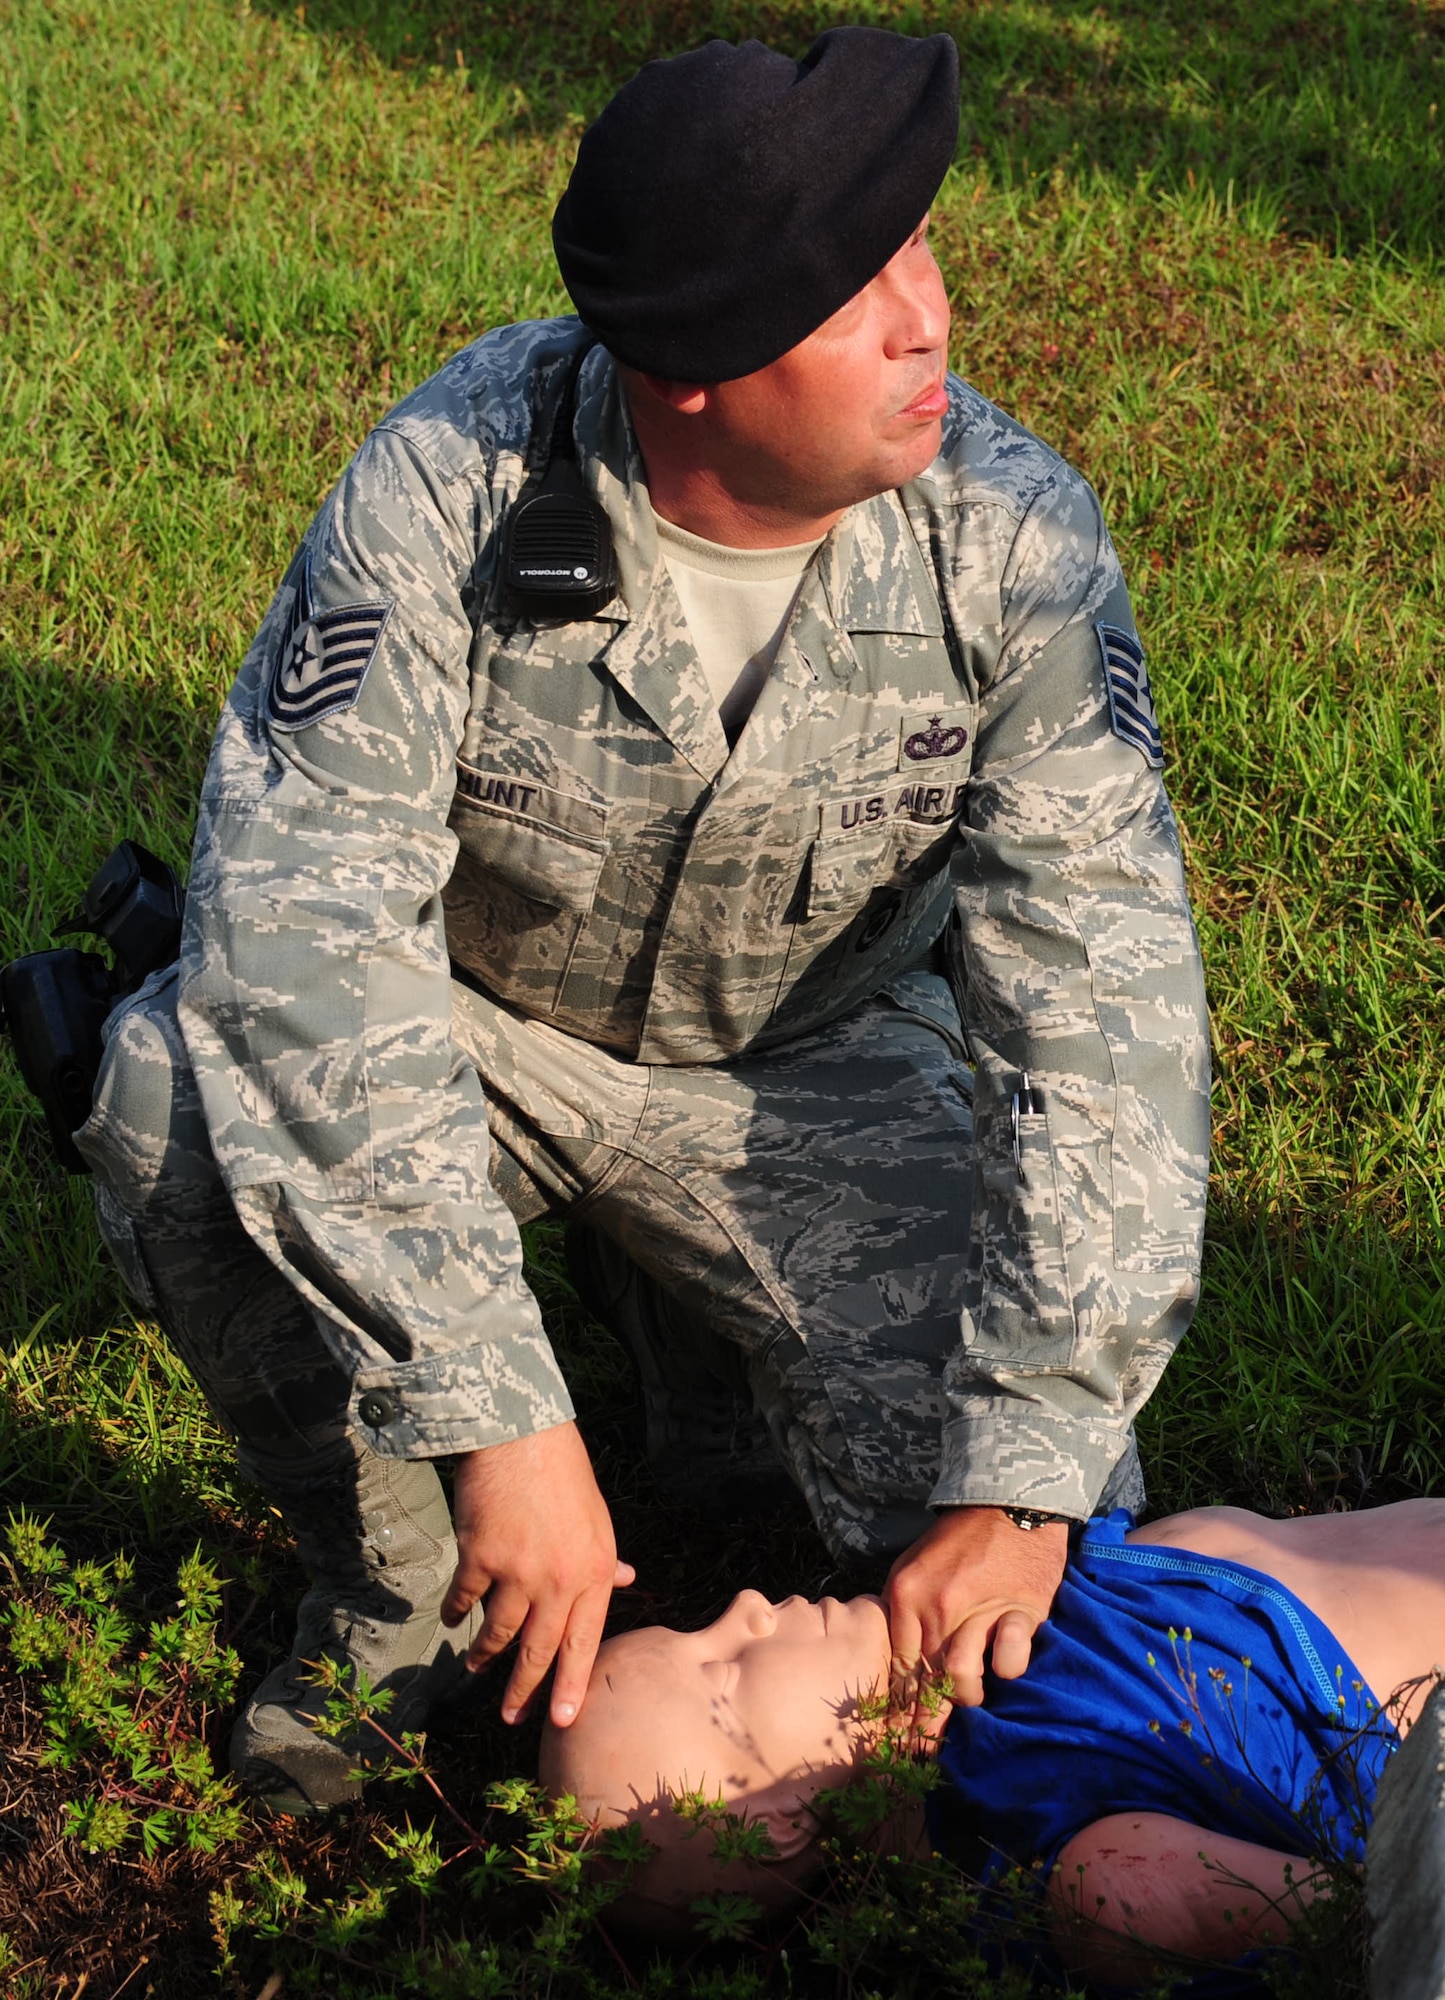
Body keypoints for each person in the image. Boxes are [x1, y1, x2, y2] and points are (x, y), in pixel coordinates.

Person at [70, 24, 1209, 1814]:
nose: (930, 322)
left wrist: (1031, 1461)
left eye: (918, 247)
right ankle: (402, 1601)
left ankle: (697, 1380)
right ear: (689, 374)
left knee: (1027, 1612)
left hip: (811, 1074)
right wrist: (491, 1419)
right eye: (856, 293)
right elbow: (300, 947)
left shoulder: (1012, 534)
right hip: (482, 1040)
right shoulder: (451, 482)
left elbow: (1108, 1015)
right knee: (167, 1102)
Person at [541, 1500, 1445, 1990]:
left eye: (702, 1627)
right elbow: (1388, 1929)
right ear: (772, 1824)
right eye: (722, 1674)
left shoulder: (977, 1619)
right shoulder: (1074, 1859)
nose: (743, 1608)